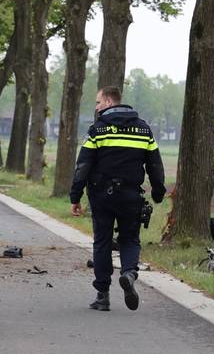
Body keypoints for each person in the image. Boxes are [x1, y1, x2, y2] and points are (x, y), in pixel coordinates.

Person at [69, 86, 167, 312]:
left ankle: (102, 296)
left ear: (109, 102)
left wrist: (75, 196)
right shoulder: (144, 130)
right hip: (132, 195)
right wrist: (158, 190)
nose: (96, 107)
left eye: (98, 102)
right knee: (130, 239)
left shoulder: (98, 130)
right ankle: (129, 273)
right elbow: (155, 163)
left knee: (102, 242)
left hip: (102, 195)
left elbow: (83, 165)